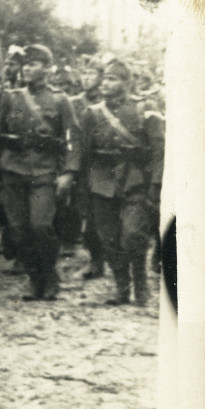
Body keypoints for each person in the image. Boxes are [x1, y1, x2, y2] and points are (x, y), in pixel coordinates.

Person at [0, 44, 82, 301]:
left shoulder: (60, 100)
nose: (26, 68)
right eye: (25, 64)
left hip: (44, 171)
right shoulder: (11, 98)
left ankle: (49, 275)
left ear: (47, 68)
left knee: (41, 227)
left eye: (33, 64)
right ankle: (34, 277)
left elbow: (73, 138)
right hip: (12, 171)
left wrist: (68, 173)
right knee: (18, 230)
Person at [80, 59, 164, 306]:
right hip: (101, 180)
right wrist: (83, 188)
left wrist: (155, 186)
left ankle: (141, 284)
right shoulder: (92, 113)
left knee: (132, 234)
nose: (105, 83)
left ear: (127, 83)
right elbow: (85, 154)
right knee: (108, 239)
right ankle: (122, 289)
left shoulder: (145, 109)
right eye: (105, 78)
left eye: (112, 79)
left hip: (135, 179)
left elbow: (160, 151)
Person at [70, 56, 107, 280]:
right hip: (83, 166)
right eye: (83, 74)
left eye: (91, 73)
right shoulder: (73, 103)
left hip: (107, 166)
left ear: (101, 78)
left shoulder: (108, 101)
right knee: (87, 215)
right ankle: (96, 260)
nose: (85, 78)